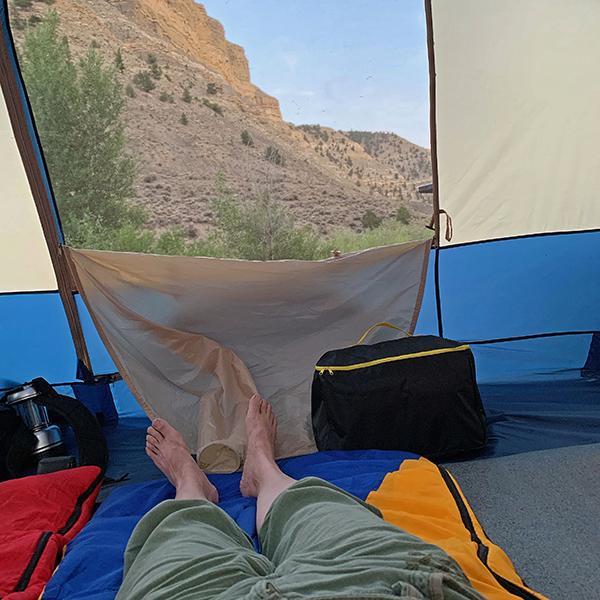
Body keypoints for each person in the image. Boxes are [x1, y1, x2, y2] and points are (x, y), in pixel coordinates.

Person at [116, 395, 487, 600]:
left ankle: (192, 487)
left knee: (178, 540)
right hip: (386, 587)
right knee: (321, 513)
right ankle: (263, 469)